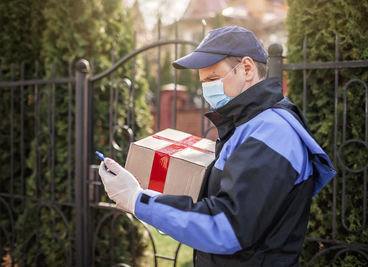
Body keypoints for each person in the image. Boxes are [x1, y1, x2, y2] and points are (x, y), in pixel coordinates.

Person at [99, 25, 336, 267]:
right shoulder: (248, 125)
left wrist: (140, 201)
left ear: (246, 69)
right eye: (203, 82)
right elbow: (219, 201)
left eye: (213, 79)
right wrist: (167, 208)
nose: (206, 90)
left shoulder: (272, 134)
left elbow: (227, 227)